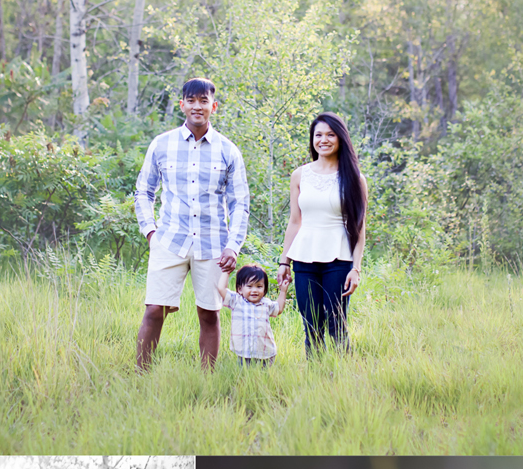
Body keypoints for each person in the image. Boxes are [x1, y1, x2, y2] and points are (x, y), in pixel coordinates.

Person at [134, 77, 251, 371]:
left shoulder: (228, 150)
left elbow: (240, 203)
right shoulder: (161, 144)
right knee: (154, 311)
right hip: (169, 240)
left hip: (213, 245)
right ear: (182, 104)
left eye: (203, 101)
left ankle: (206, 378)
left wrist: (233, 246)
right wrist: (150, 231)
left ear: (214, 106)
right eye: (191, 100)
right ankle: (140, 373)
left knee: (209, 314)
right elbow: (143, 192)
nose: (197, 107)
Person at [275, 113, 368, 352]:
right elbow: (295, 222)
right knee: (312, 324)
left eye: (330, 134)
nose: (323, 140)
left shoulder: (355, 178)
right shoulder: (300, 175)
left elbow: (359, 228)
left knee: (337, 322)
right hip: (304, 257)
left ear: (340, 139)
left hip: (339, 258)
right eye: (318, 135)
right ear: (312, 139)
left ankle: (342, 378)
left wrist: (356, 268)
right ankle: (315, 378)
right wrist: (284, 262)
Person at [216, 263, 290, 365]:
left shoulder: (266, 303)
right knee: (245, 377)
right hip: (244, 352)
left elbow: (279, 308)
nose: (254, 290)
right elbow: (221, 288)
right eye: (249, 286)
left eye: (259, 286)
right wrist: (226, 271)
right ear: (240, 289)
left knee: (264, 378)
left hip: (265, 352)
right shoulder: (236, 301)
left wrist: (283, 291)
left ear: (264, 289)